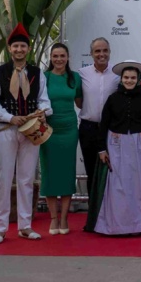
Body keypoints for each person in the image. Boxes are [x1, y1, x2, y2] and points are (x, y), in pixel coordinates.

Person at [0, 23, 52, 243]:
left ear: (28, 49)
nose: (19, 50)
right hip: (6, 129)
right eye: (16, 46)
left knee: (26, 178)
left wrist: (42, 113)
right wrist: (10, 117)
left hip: (30, 131)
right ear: (9, 48)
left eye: (23, 46)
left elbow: (44, 99)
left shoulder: (37, 73)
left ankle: (25, 225)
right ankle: (0, 228)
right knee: (3, 178)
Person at [86, 61, 141, 236]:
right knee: (118, 186)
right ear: (121, 79)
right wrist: (101, 149)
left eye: (133, 78)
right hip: (117, 146)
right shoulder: (113, 99)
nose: (129, 81)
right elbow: (104, 124)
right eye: (126, 78)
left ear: (138, 80)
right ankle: (119, 224)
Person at [40, 42, 83, 236]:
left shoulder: (75, 78)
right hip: (48, 131)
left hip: (69, 130)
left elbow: (81, 102)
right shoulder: (44, 77)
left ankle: (64, 218)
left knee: (67, 173)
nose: (58, 59)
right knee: (49, 174)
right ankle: (53, 219)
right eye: (55, 56)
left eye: (62, 56)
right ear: (51, 58)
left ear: (68, 57)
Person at [77, 38, 119, 196]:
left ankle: (112, 215)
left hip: (112, 130)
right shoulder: (82, 74)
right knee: (92, 172)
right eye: (97, 51)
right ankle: (93, 216)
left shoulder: (118, 73)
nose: (101, 54)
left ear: (109, 52)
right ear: (91, 54)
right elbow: (79, 101)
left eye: (105, 50)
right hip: (88, 129)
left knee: (112, 172)